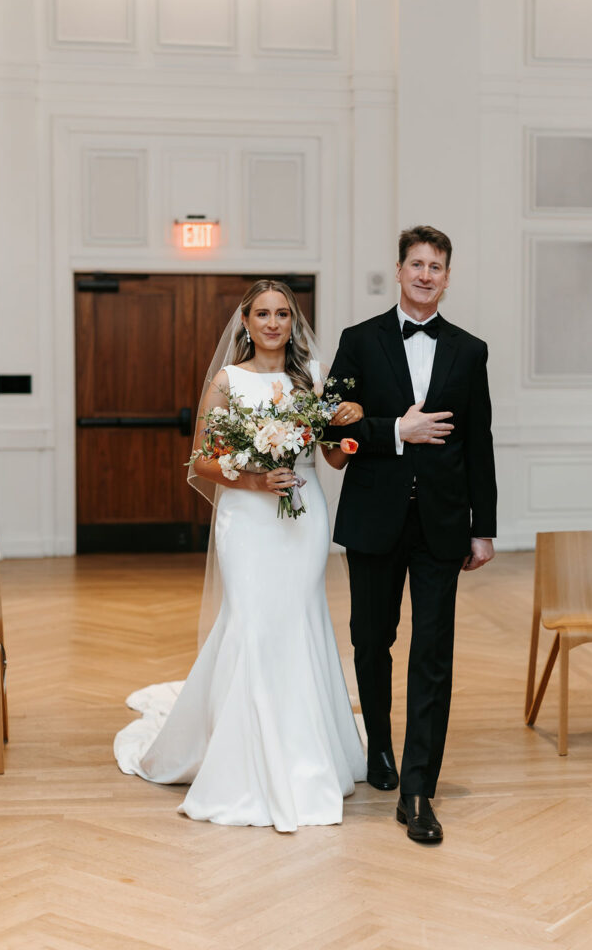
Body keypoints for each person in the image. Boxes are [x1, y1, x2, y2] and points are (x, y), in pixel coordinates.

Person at [114, 279, 367, 832]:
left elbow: (333, 460)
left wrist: (344, 431)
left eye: (283, 313)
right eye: (262, 314)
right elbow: (200, 463)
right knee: (252, 624)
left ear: (293, 322)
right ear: (246, 323)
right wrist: (253, 480)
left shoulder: (312, 379)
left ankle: (305, 753)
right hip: (248, 520)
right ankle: (243, 762)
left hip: (302, 516)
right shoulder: (228, 381)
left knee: (298, 623)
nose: (273, 323)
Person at [325, 225, 497, 844]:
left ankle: (419, 788)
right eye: (416, 264)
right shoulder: (358, 341)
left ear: (448, 277)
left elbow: (479, 443)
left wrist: (484, 527)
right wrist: (397, 430)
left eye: (437, 267)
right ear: (398, 270)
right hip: (374, 518)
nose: (426, 275)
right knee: (373, 642)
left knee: (433, 653)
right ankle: (379, 747)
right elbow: (328, 427)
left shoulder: (470, 350)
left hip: (442, 526)